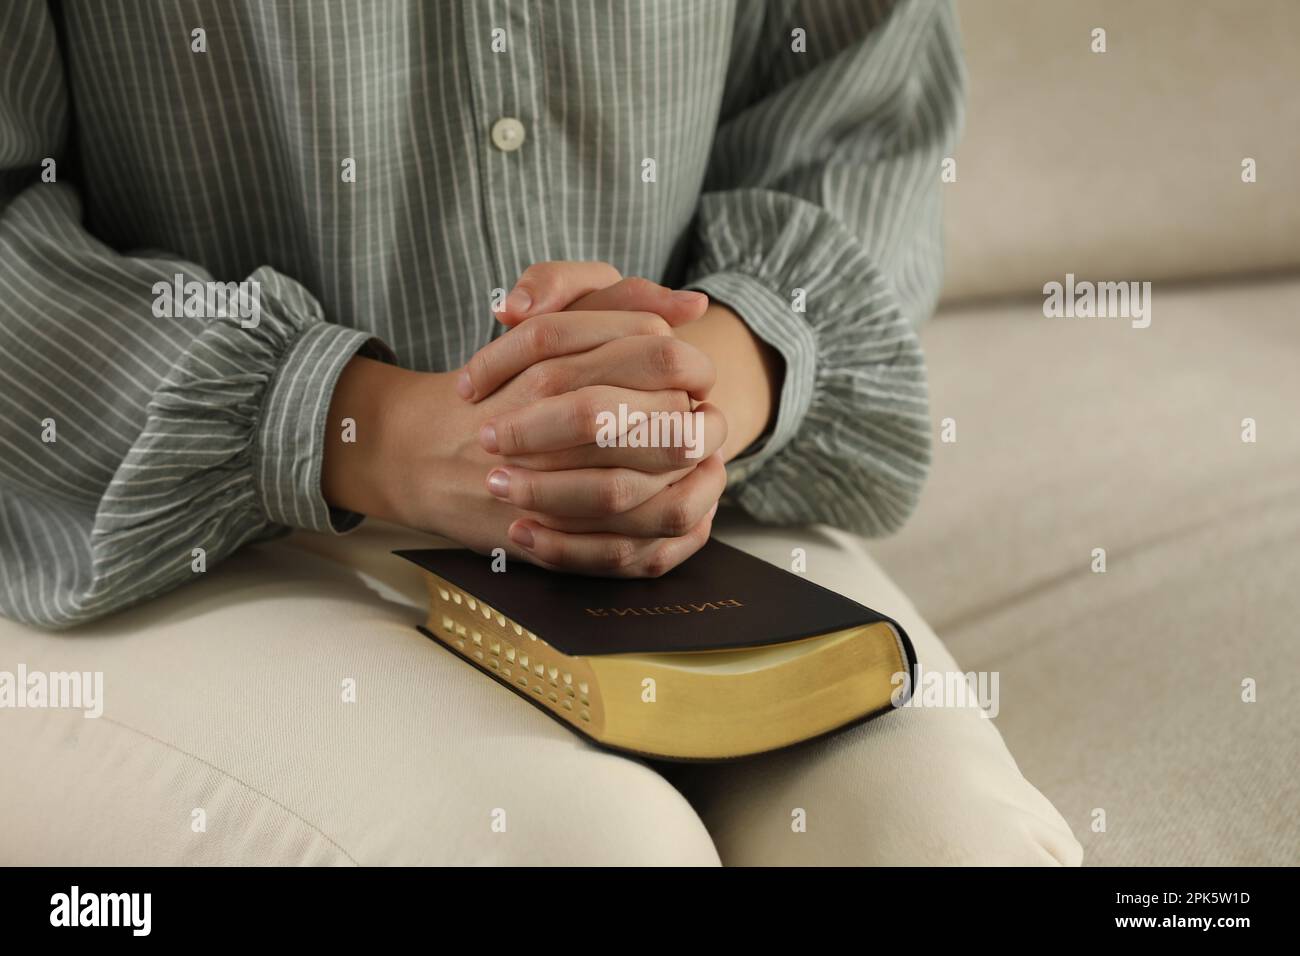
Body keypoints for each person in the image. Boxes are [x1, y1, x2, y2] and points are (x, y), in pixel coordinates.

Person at [0, 0, 1082, 865]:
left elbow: (863, 112)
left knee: (946, 846)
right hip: (146, 525)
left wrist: (689, 395)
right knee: (584, 849)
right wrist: (368, 426)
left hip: (691, 500)